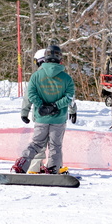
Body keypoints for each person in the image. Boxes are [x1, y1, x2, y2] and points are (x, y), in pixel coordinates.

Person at [14, 45, 75, 174]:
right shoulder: (66, 78)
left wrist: (41, 106)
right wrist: (56, 106)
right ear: (60, 59)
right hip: (58, 118)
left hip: (41, 117)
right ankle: (53, 168)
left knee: (36, 144)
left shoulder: (36, 76)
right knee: (55, 146)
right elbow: (69, 97)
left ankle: (22, 165)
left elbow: (30, 94)